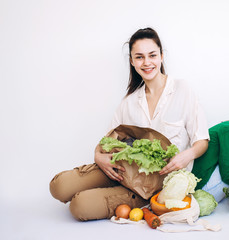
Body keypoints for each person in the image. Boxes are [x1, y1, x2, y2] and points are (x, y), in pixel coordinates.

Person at [50, 28, 209, 221]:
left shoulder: (183, 90)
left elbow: (202, 141)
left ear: (161, 56)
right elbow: (107, 140)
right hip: (121, 171)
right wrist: (98, 156)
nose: (147, 62)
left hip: (150, 187)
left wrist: (186, 156)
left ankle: (132, 201)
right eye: (139, 57)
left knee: (79, 206)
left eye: (152, 55)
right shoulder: (130, 102)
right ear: (132, 62)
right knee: (59, 186)